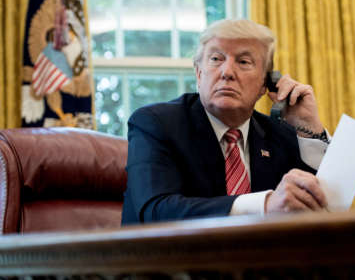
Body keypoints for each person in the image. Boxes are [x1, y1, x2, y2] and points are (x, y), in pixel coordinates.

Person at [121, 19, 328, 225]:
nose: (227, 72)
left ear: (266, 84)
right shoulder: (156, 124)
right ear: (199, 73)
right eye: (216, 59)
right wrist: (264, 206)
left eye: (243, 62)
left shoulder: (279, 135)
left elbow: (322, 212)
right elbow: (156, 212)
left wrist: (309, 129)